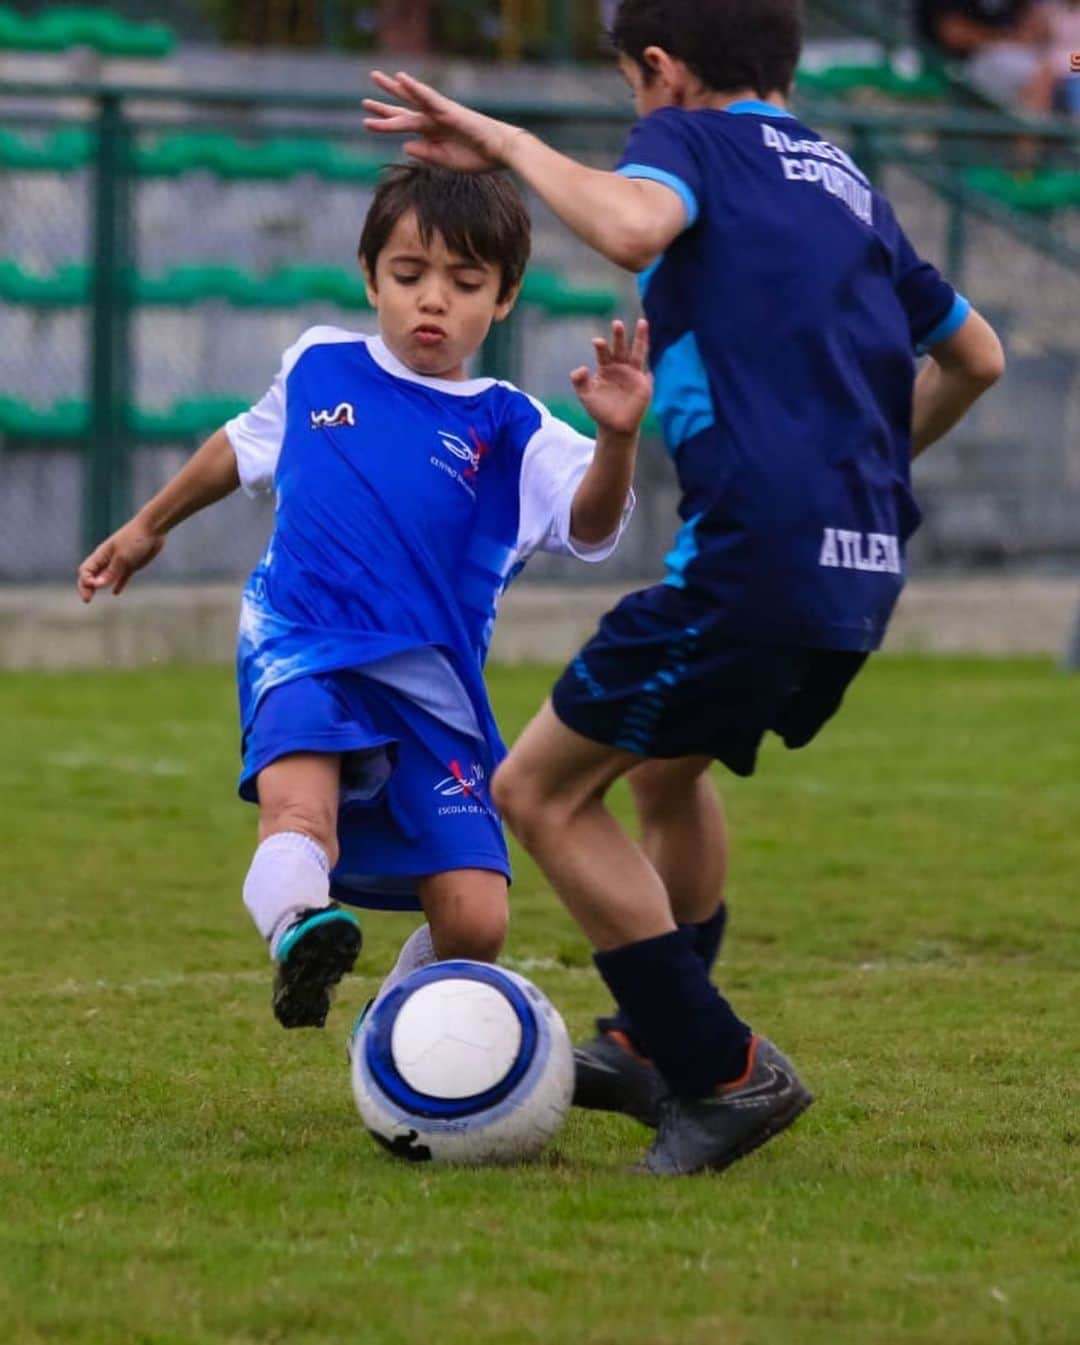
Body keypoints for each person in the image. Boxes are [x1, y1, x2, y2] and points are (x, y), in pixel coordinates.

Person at [362, 0, 1006, 1175]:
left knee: (539, 792)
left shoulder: (692, 139)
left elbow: (628, 223)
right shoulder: (846, 182)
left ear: (660, 72)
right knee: (664, 771)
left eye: (626, 87)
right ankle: (648, 1039)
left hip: (751, 555)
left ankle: (720, 1068)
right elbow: (978, 355)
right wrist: (854, 477)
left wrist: (504, 140)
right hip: (859, 561)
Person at [77, 164, 650, 1031]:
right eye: (410, 275)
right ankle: (302, 929)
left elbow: (591, 521)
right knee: (299, 811)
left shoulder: (509, 423)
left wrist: (616, 439)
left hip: (432, 691)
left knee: (476, 920)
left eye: (465, 283)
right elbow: (240, 444)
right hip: (300, 646)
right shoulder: (319, 365)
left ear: (504, 298)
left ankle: (395, 1033)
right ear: (370, 274)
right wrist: (148, 525)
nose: (433, 302)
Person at [916, 0, 1053, 114]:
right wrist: (1003, 37)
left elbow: (1029, 32)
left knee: (1060, 73)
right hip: (963, 61)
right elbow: (953, 33)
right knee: (1042, 74)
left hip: (1026, 56)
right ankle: (1029, 144)